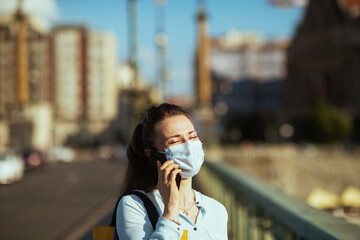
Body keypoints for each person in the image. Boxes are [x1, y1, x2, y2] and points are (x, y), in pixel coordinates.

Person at [116, 103, 228, 239]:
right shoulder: (134, 205)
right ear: (152, 155)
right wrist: (170, 211)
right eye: (175, 141)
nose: (189, 146)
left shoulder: (217, 210)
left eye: (192, 137)